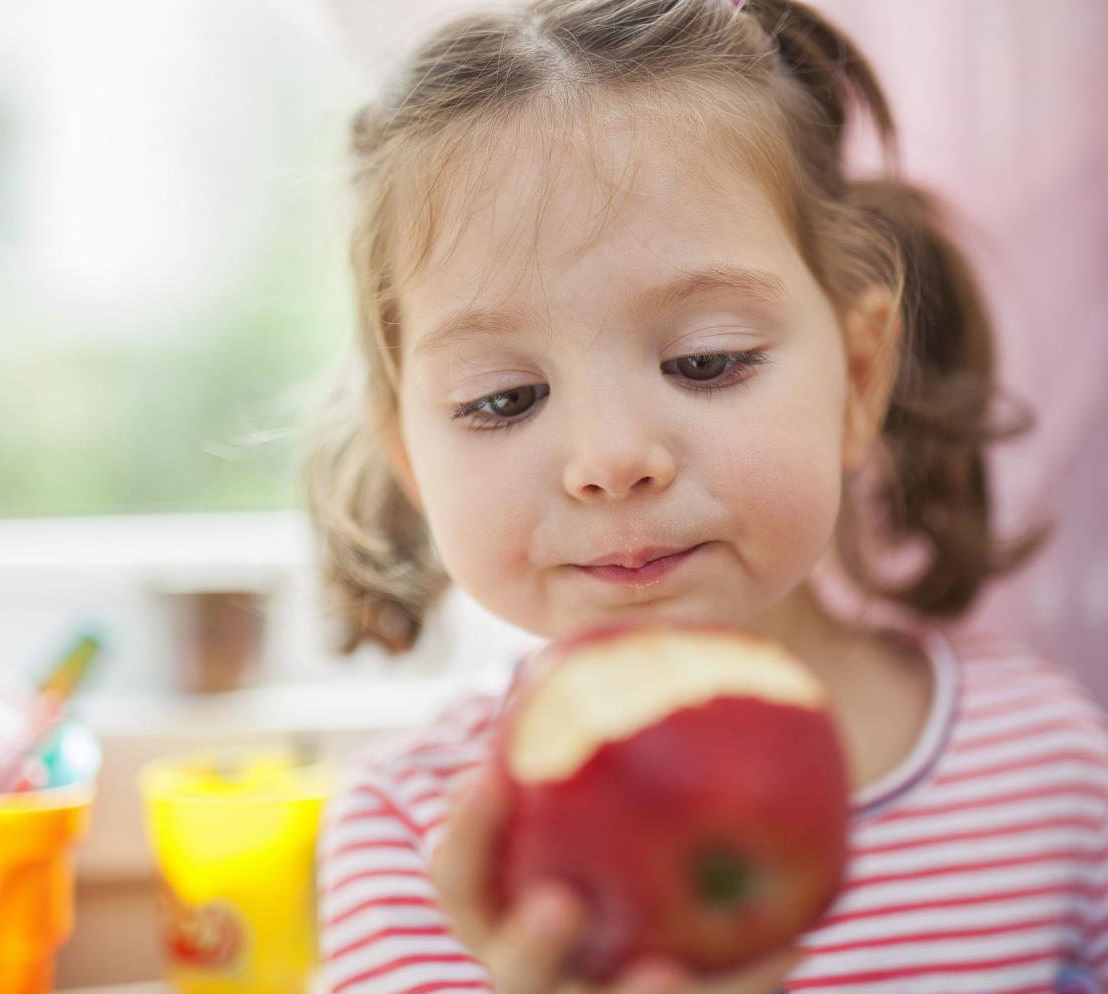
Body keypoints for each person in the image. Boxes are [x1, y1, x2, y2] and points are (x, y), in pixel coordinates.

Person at [304, 0, 1108, 991]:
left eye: (706, 360)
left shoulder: (1049, 773)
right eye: (502, 399)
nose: (610, 458)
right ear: (413, 465)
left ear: (858, 380)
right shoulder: (417, 842)